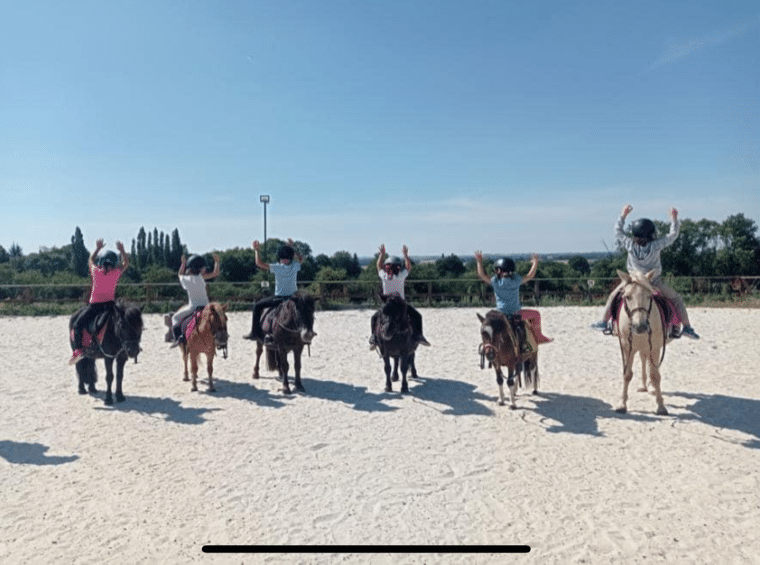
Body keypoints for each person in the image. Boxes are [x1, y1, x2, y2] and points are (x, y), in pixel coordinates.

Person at [590, 204, 699, 339]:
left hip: (632, 281)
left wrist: (623, 215)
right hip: (653, 281)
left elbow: (617, 230)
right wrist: (674, 219)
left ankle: (604, 322)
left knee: (613, 296)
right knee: (676, 299)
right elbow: (673, 235)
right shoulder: (656, 246)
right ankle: (687, 327)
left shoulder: (629, 244)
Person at [474, 251, 552, 351]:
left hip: (500, 314)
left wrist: (479, 262)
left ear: (500, 271)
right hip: (516, 314)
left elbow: (482, 275)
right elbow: (530, 276)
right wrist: (535, 263)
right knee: (536, 314)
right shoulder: (515, 280)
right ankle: (539, 337)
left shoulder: (496, 282)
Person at [69, 239, 129, 365]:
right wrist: (122, 250)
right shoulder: (116, 273)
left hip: (95, 307)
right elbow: (126, 263)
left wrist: (97, 248)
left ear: (101, 262)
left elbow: (90, 260)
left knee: (77, 325)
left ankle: (78, 350)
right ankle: (130, 344)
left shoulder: (96, 272)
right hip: (110, 307)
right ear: (113, 264)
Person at [243, 238, 311, 344]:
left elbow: (259, 263)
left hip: (279, 298)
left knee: (257, 306)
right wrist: (291, 248)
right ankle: (309, 330)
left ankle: (254, 333)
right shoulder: (295, 266)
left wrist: (256, 250)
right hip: (294, 298)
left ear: (280, 258)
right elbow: (301, 258)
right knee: (306, 309)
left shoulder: (277, 267)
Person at [369, 244, 430, 350]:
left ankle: (374, 338)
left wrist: (382, 254)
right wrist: (406, 255)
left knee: (374, 317)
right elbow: (408, 267)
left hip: (387, 304)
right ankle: (418, 336)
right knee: (417, 316)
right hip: (400, 304)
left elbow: (378, 265)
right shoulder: (401, 275)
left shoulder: (384, 275)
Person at [169, 253, 220, 347]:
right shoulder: (201, 278)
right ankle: (222, 338)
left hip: (193, 308)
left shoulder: (186, 279)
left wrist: (183, 263)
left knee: (174, 318)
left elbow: (179, 274)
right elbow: (215, 273)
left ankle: (178, 338)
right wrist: (217, 262)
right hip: (206, 307)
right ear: (200, 269)